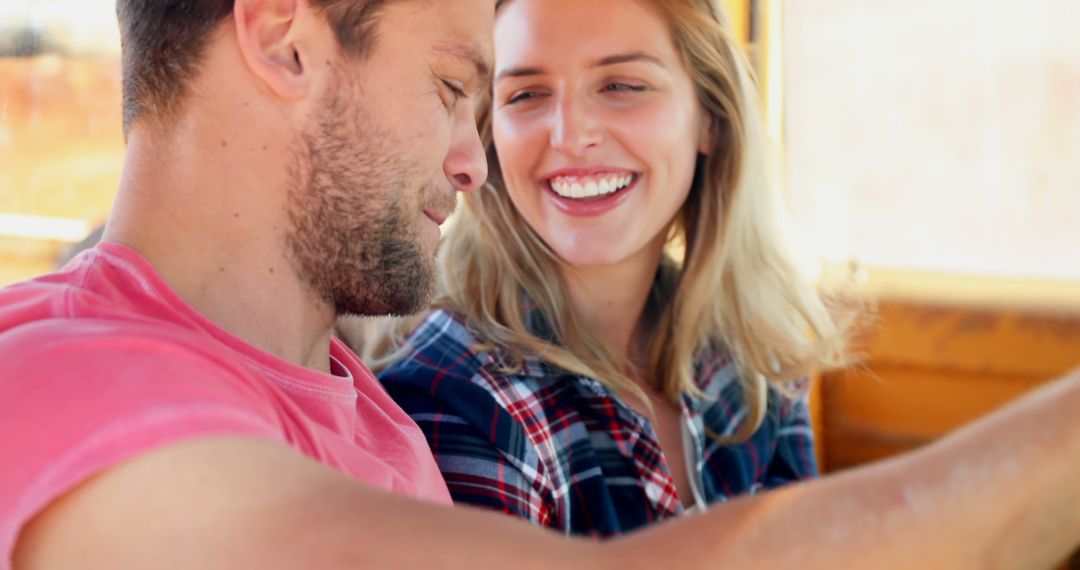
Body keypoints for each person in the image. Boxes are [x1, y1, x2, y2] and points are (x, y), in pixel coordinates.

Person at [0, 1, 1078, 569]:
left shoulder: (362, 410)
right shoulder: (65, 379)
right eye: (457, 85)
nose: (478, 163)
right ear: (285, 41)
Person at [363, 0, 849, 536]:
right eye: (526, 94)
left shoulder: (755, 351)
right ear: (489, 134)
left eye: (622, 85)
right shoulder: (453, 399)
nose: (571, 136)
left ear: (710, 116)